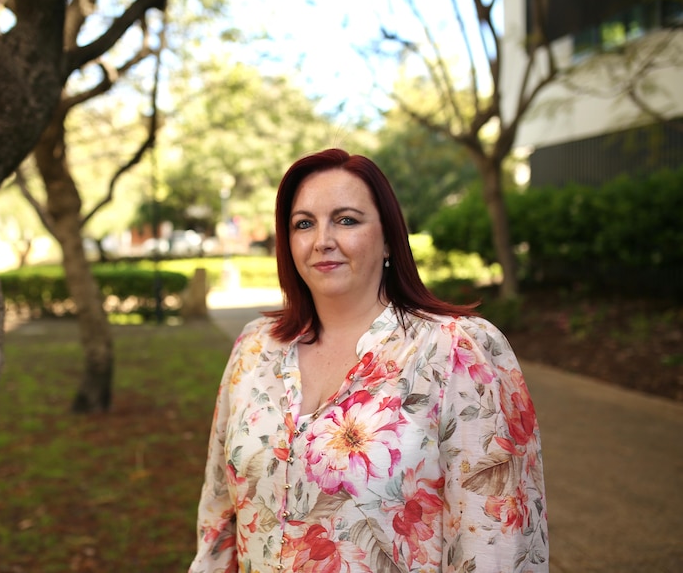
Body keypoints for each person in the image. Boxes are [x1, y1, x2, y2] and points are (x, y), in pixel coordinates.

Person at [189, 148, 548, 573]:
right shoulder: (254, 348)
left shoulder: (456, 351)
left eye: (346, 220)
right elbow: (218, 520)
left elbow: (497, 543)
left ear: (389, 239)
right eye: (304, 223)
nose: (322, 239)